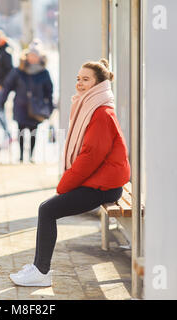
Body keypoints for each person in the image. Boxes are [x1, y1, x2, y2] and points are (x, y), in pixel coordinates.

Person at [9, 59, 131, 287]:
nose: (80, 84)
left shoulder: (101, 113)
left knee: (47, 210)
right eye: (78, 79)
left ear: (99, 85)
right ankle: (38, 267)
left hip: (106, 185)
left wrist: (65, 184)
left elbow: (90, 156)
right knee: (48, 209)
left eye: (86, 79)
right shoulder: (93, 107)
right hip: (103, 180)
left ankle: (41, 272)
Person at [0, 39, 54, 163]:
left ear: (40, 57)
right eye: (31, 55)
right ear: (27, 55)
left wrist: (50, 107)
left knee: (34, 131)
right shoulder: (18, 71)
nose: (32, 58)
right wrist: (2, 100)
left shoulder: (44, 73)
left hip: (36, 108)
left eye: (35, 55)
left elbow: (49, 92)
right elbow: (8, 86)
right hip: (21, 105)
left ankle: (31, 156)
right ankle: (22, 155)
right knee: (21, 131)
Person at [0, 30, 13, 148]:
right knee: (1, 110)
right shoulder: (1, 50)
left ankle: (8, 134)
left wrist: (3, 85)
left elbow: (10, 71)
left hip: (2, 87)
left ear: (2, 38)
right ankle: (7, 135)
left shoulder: (6, 51)